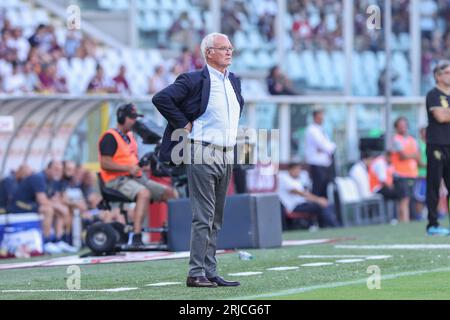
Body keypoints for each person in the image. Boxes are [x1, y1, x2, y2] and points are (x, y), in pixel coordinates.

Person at [152, 32, 244, 288]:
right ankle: (195, 272)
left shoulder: (233, 81)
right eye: (223, 48)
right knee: (204, 215)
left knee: (216, 217)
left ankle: (210, 270)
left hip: (226, 152)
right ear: (208, 53)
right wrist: (183, 123)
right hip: (202, 150)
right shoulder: (194, 79)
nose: (229, 52)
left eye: (230, 48)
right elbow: (161, 98)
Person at [98, 103, 179, 246]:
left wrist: (145, 167)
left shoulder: (130, 137)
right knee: (144, 194)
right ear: (122, 118)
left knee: (171, 193)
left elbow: (132, 161)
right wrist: (128, 168)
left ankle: (169, 231)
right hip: (116, 180)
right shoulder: (110, 137)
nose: (135, 121)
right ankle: (136, 236)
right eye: (132, 118)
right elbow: (105, 163)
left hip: (135, 178)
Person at [8, 161, 76, 254]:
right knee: (48, 210)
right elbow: (42, 201)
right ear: (47, 169)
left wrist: (60, 206)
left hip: (32, 204)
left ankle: (59, 240)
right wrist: (59, 206)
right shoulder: (39, 178)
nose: (58, 172)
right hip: (19, 205)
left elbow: (53, 199)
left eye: (60, 170)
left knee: (59, 211)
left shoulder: (52, 180)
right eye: (55, 169)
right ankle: (46, 242)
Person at [424, 60, 450, 235]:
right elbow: (440, 117)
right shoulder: (433, 95)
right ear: (438, 76)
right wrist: (445, 113)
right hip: (437, 145)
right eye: (447, 72)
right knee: (434, 185)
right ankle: (432, 224)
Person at [278, 163, 339, 228]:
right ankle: (334, 226)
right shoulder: (284, 178)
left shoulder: (297, 180)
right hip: (294, 207)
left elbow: (305, 195)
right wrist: (318, 200)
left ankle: (328, 226)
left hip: (303, 204)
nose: (298, 172)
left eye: (299, 170)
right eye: (297, 170)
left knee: (326, 205)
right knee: (320, 206)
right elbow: (301, 193)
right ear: (291, 170)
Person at [391, 117, 420, 222]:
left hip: (412, 174)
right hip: (400, 174)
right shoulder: (395, 139)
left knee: (408, 199)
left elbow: (418, 156)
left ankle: (403, 221)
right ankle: (405, 222)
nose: (403, 127)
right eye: (400, 125)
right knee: (404, 199)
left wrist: (410, 155)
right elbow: (402, 156)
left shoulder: (412, 140)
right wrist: (413, 155)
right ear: (396, 127)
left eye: (404, 125)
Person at [304, 108, 336, 198]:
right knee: (317, 190)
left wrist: (329, 147)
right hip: (316, 165)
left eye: (322, 116)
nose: (322, 118)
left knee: (324, 191)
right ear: (315, 117)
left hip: (325, 165)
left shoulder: (321, 130)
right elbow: (325, 146)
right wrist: (328, 147)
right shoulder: (312, 130)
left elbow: (329, 146)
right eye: (320, 116)